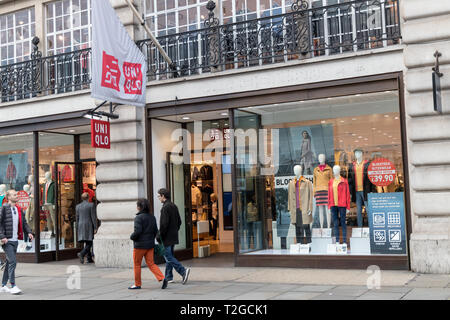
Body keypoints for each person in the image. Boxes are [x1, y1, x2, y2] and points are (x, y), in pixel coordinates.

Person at [0, 190, 34, 295]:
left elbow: (24, 223)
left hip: (15, 240)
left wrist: (29, 232)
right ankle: (13, 285)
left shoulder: (19, 209)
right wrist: (2, 236)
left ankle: (3, 285)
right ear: (9, 197)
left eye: (16, 194)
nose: (17, 196)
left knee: (9, 262)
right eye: (14, 195)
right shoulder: (4, 208)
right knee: (13, 262)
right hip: (7, 240)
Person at [129, 199, 166, 290]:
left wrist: (132, 237)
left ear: (139, 207)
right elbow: (155, 232)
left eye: (137, 206)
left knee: (137, 264)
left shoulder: (138, 218)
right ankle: (162, 277)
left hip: (139, 246)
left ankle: (137, 284)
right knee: (151, 263)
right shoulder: (152, 217)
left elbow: (137, 231)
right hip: (150, 245)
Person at [157, 188, 190, 285]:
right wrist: (174, 231)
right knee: (169, 256)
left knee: (168, 256)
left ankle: (183, 271)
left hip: (166, 237)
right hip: (173, 236)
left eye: (159, 196)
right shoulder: (174, 206)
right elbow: (179, 221)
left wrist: (159, 236)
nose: (158, 198)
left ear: (163, 196)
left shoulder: (165, 208)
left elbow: (164, 225)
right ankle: (168, 277)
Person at [76, 193, 97, 264]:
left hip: (80, 225)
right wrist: (95, 227)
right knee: (90, 242)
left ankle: (89, 258)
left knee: (87, 241)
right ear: (88, 198)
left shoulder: (78, 206)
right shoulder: (91, 205)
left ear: (82, 198)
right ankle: (82, 253)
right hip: (88, 225)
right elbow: (93, 217)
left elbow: (77, 218)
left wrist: (77, 228)